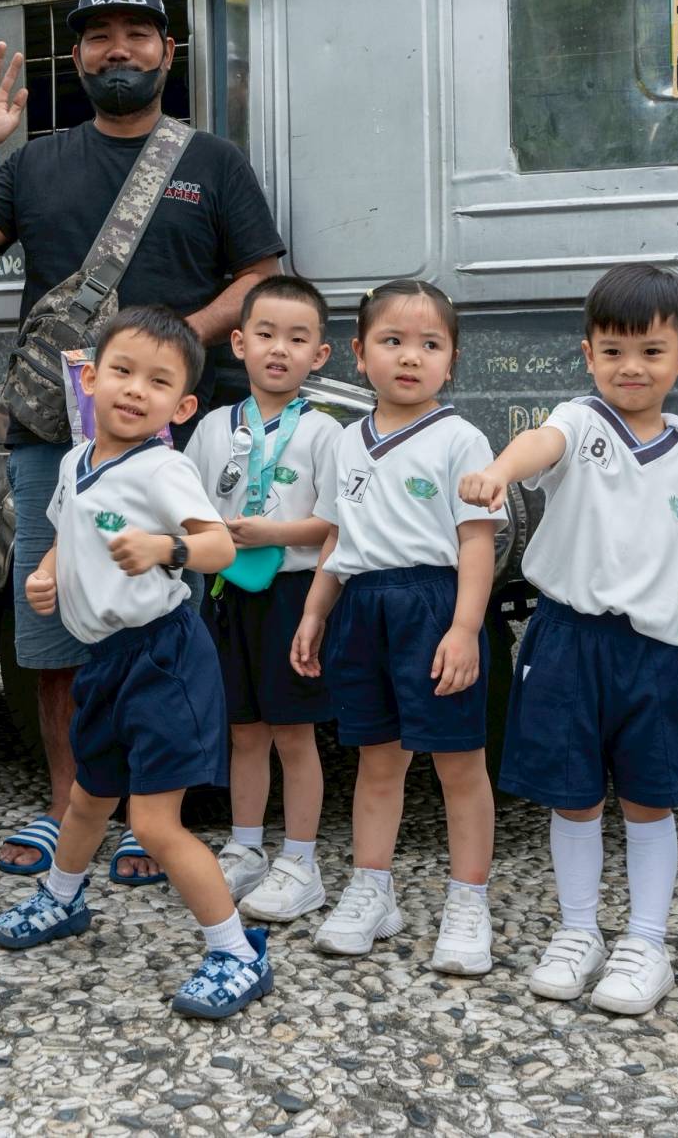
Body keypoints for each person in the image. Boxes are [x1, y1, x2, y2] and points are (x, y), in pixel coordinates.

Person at [0, 0, 284, 881]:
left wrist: (163, 354)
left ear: (169, 53)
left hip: (173, 435)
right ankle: (67, 807)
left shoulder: (212, 160)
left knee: (157, 619)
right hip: (58, 435)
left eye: (137, 33)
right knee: (54, 623)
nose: (117, 49)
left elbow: (260, 277)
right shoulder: (35, 160)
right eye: (98, 36)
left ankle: (146, 810)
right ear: (77, 57)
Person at [0, 306, 268, 1021]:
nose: (137, 390)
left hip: (162, 656)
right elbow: (67, 529)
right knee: (86, 795)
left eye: (159, 381)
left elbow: (220, 548)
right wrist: (47, 573)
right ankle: (61, 897)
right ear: (90, 378)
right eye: (123, 371)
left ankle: (237, 950)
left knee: (155, 823)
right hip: (103, 658)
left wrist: (166, 549)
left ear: (184, 404)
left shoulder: (164, 467)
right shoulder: (78, 459)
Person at [457, 264, 678, 1012]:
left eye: (649, 350)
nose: (630, 367)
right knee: (571, 799)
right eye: (612, 350)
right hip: (566, 638)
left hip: (653, 653)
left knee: (650, 798)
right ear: (588, 355)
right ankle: (578, 930)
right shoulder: (580, 422)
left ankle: (646, 940)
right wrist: (496, 471)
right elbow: (538, 446)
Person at [290, 280, 504, 976]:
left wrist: (466, 627)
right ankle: (371, 888)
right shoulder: (346, 441)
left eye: (429, 344)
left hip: (434, 605)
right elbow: (336, 539)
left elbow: (477, 542)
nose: (410, 356)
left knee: (458, 763)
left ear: (452, 361)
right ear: (358, 354)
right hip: (363, 606)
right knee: (377, 761)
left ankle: (469, 901)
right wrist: (317, 609)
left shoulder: (460, 437)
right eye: (392, 340)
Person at [181, 276, 342, 922]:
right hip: (228, 593)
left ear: (320, 355)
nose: (280, 349)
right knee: (243, 730)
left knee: (294, 733)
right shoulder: (216, 425)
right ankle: (246, 847)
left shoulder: (325, 432)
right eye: (267, 335)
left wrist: (275, 532)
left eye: (298, 338)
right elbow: (186, 503)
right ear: (240, 343)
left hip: (295, 592)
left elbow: (337, 524)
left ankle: (301, 859)